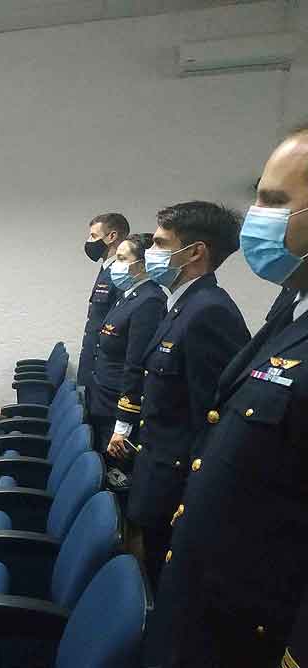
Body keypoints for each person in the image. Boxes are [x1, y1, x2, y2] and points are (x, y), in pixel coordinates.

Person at [150, 128, 308, 668]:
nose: (255, 216)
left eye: (274, 202)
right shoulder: (291, 308)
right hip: (209, 589)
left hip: (254, 620)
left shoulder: (217, 310)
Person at [107, 201, 250, 592]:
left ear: (195, 252)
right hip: (155, 463)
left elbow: (213, 417)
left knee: (162, 577)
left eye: (158, 243)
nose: (150, 252)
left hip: (175, 481)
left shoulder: (209, 312)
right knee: (146, 569)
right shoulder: (182, 305)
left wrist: (192, 497)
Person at [88, 233, 166, 456]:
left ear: (140, 265)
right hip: (102, 396)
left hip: (116, 405)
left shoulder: (149, 300)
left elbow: (136, 364)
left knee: (113, 473)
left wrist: (124, 423)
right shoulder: (129, 295)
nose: (116, 265)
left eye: (122, 259)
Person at [78, 213, 130, 390]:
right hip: (93, 365)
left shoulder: (120, 274)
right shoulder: (106, 269)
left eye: (93, 236)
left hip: (105, 371)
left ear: (112, 237)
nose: (89, 242)